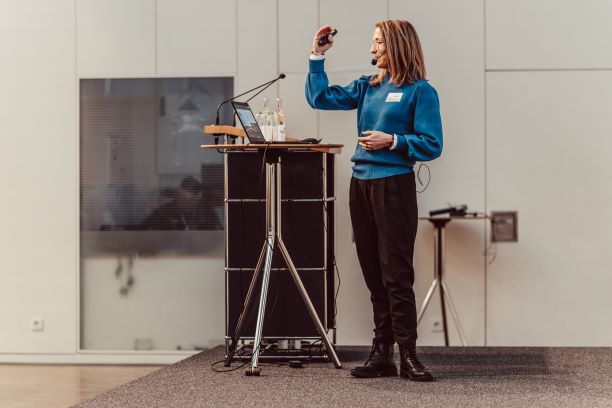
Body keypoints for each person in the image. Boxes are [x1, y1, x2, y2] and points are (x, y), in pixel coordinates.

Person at [306, 20, 443, 381]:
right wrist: (316, 57)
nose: (372, 49)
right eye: (372, 42)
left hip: (394, 186)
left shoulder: (420, 91)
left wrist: (393, 141)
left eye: (378, 43)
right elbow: (320, 98)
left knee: (396, 272)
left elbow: (432, 144)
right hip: (361, 185)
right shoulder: (367, 87)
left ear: (397, 46)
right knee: (372, 271)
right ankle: (381, 352)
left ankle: (408, 354)